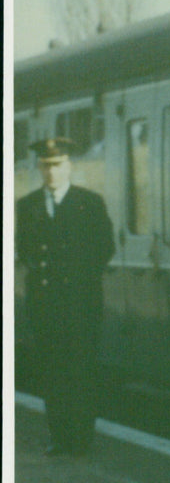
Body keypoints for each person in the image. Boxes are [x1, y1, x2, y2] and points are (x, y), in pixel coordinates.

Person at [16, 137, 114, 456]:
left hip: (80, 306)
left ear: (69, 166)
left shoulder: (89, 203)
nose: (51, 172)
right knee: (52, 374)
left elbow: (104, 248)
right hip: (44, 307)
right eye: (45, 165)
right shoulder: (27, 205)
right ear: (39, 168)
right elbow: (25, 250)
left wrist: (76, 279)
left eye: (57, 165)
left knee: (81, 373)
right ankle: (59, 438)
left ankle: (81, 440)